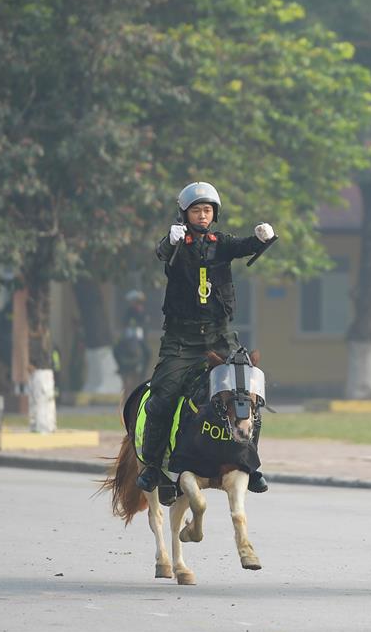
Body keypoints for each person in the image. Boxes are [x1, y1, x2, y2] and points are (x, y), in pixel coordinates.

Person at [135, 181, 274, 502]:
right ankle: (153, 466)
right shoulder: (175, 243)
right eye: (196, 210)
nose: (202, 215)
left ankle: (250, 464)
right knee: (162, 396)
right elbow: (162, 252)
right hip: (181, 340)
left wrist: (261, 238)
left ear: (214, 214)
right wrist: (170, 241)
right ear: (184, 214)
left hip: (219, 336)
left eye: (207, 210)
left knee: (249, 390)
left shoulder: (221, 243)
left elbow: (243, 246)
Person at [114, 289, 151, 391]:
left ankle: (143, 372)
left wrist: (140, 327)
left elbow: (145, 326)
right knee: (115, 349)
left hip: (139, 338)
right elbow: (124, 323)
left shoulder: (143, 313)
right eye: (135, 302)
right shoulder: (129, 311)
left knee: (148, 352)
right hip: (128, 336)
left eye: (138, 302)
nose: (136, 304)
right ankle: (121, 367)